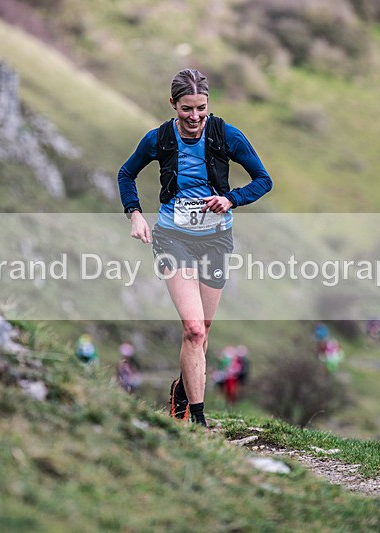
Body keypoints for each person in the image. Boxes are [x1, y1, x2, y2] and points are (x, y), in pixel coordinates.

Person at [118, 69, 273, 426]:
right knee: (194, 330)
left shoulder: (226, 136)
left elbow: (264, 180)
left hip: (216, 239)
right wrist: (135, 215)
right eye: (187, 109)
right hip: (173, 237)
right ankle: (198, 422)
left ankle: (181, 393)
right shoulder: (157, 139)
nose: (195, 117)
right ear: (173, 104)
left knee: (203, 333)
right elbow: (126, 173)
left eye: (201, 108)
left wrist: (231, 199)